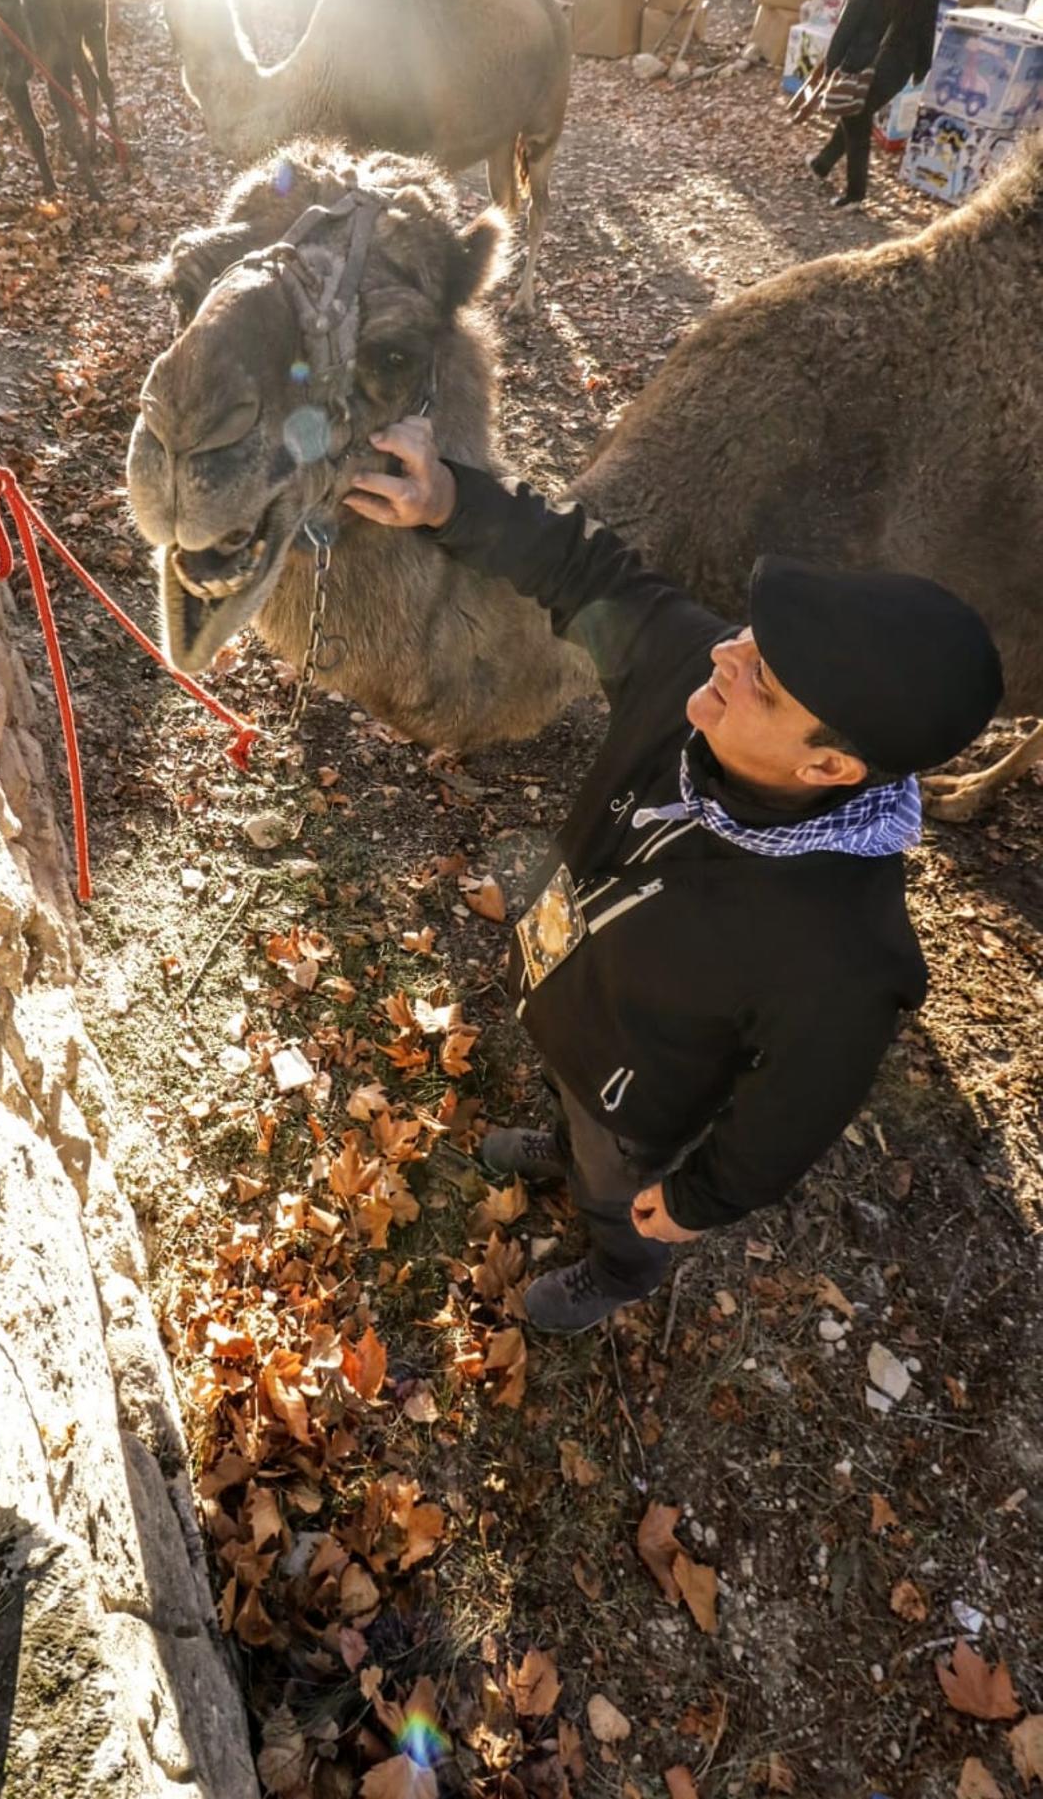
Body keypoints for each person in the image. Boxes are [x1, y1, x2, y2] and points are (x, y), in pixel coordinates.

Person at [343, 423, 1002, 1334]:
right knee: (571, 1107)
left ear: (827, 767)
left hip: (636, 1105)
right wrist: (454, 500)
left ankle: (620, 1264)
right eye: (752, 635)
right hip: (568, 989)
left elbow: (793, 1113)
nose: (727, 654)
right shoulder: (693, 672)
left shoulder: (845, 954)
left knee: (615, 1182)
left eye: (763, 678)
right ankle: (564, 1142)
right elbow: (592, 574)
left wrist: (697, 1200)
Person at [808, 0, 939, 208]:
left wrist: (832, 63)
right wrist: (921, 67)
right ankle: (821, 164)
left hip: (863, 63)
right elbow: (927, 30)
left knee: (856, 123)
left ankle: (855, 194)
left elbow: (847, 25)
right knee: (856, 112)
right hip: (898, 69)